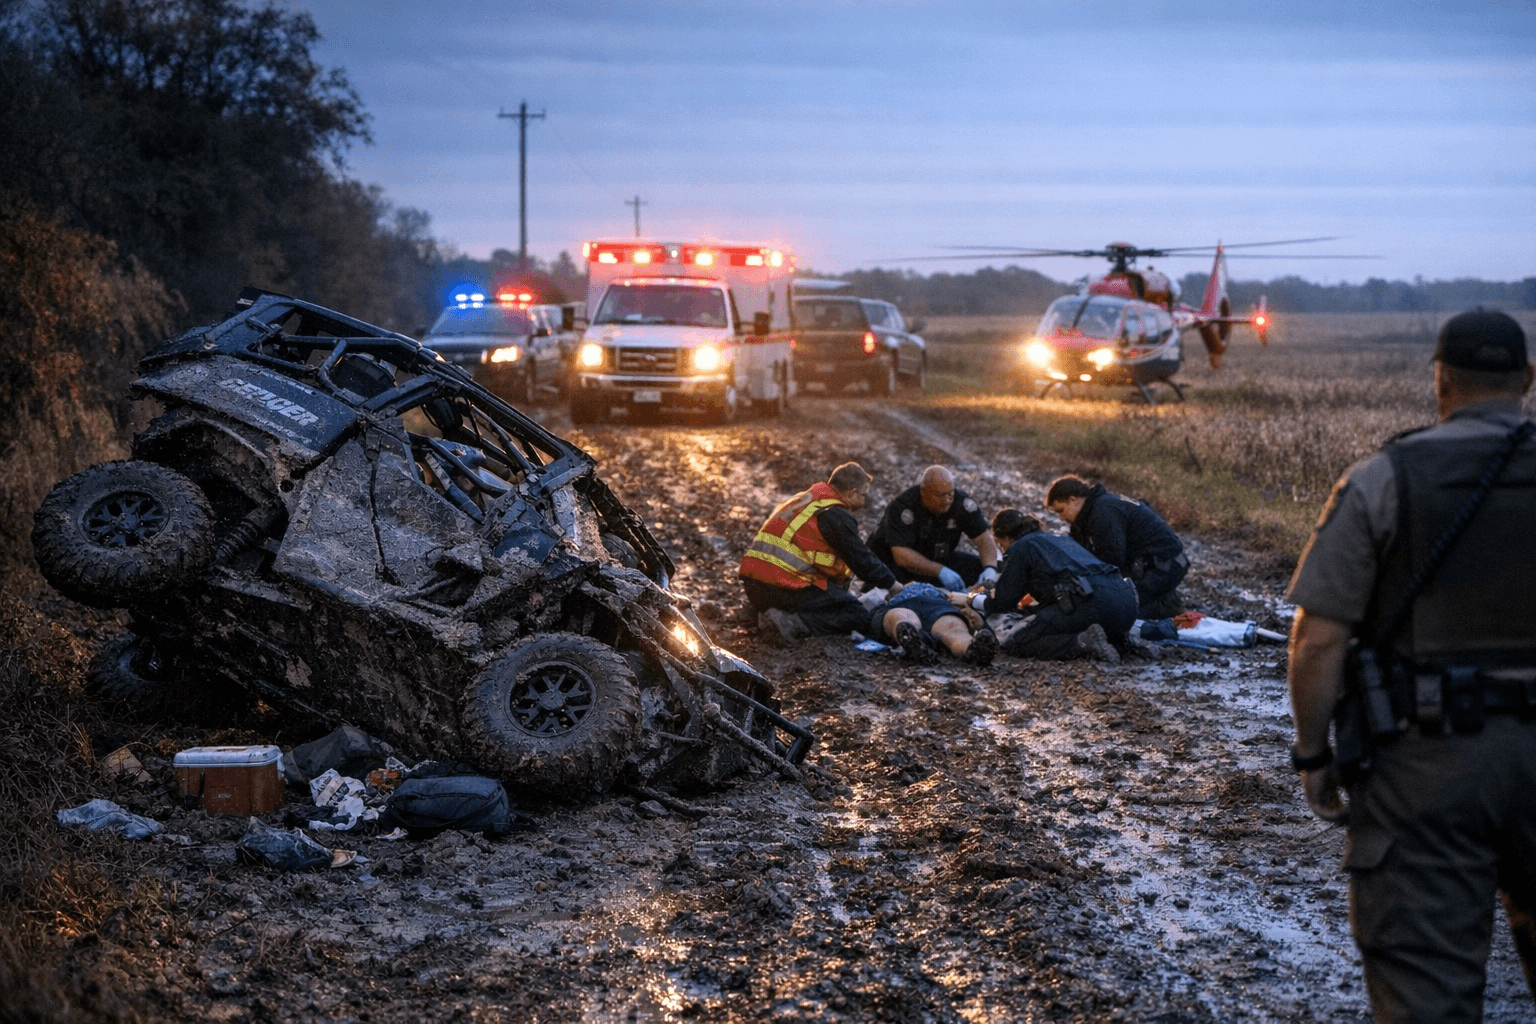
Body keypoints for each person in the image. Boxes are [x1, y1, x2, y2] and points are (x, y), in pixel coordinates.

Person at [1285, 307, 1536, 1023]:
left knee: (1426, 1000)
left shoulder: (1382, 479)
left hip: (1425, 769)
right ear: (1528, 378)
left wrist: (1314, 753)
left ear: (1440, 381)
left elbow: (1318, 639)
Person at [740, 462, 897, 646]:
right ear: (852, 493)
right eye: (864, 495)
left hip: (754, 584)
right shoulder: (836, 514)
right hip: (781, 586)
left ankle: (758, 610)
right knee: (857, 614)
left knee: (837, 597)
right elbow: (862, 561)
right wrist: (894, 585)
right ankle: (789, 622)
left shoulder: (807, 500)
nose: (865, 500)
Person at [961, 509, 1135, 662]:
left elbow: (1003, 602)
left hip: (1090, 603)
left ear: (1006, 538)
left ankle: (1082, 642)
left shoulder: (1020, 547)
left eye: (1001, 544)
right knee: (1061, 616)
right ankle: (1124, 644)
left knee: (1015, 641)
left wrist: (973, 599)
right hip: (1125, 602)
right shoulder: (1060, 540)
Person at [1045, 475, 1189, 619]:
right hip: (1158, 563)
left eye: (1061, 511)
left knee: (1116, 613)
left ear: (1073, 500)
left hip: (1165, 565)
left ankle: (1166, 607)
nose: (1061, 518)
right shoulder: (1096, 509)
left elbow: (1113, 561)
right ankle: (1160, 599)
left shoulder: (1103, 512)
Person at [867, 465, 1001, 591]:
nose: (948, 499)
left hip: (939, 556)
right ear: (924, 492)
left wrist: (990, 568)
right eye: (941, 495)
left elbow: (984, 538)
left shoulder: (961, 503)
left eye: (950, 493)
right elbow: (901, 555)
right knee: (889, 582)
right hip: (902, 564)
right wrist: (939, 571)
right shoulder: (903, 507)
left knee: (986, 569)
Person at [865, 582, 998, 667]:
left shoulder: (949, 594)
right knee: (954, 631)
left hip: (929, 604)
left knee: (901, 617)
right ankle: (912, 637)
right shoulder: (892, 594)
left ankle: (975, 649)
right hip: (932, 605)